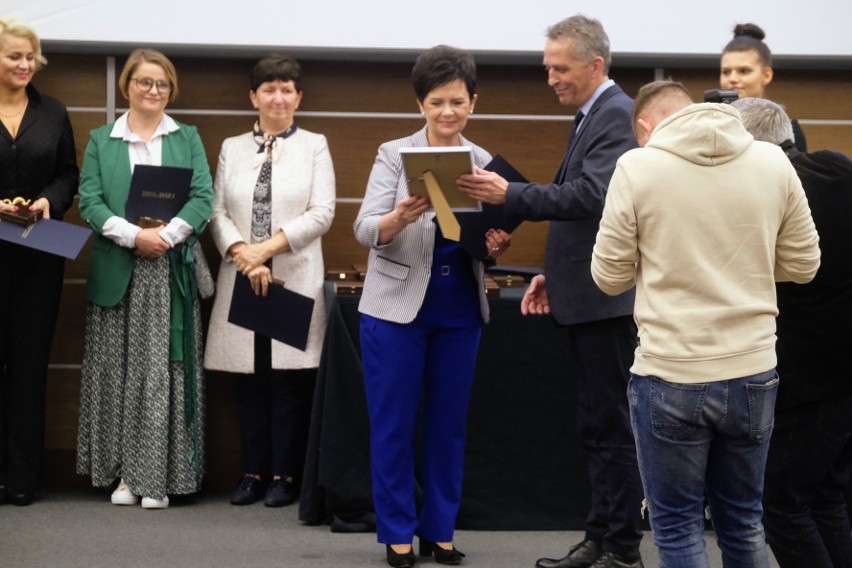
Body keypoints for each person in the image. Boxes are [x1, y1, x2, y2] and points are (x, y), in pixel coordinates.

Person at [590, 80, 821, 567]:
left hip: (670, 371)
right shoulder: (773, 162)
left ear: (648, 126)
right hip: (753, 370)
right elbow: (804, 266)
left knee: (676, 527)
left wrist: (658, 262)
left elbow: (608, 279)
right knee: (744, 521)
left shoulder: (638, 167)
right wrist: (748, 267)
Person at [457, 15, 643, 568]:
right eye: (548, 69)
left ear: (596, 65)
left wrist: (510, 194)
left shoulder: (616, 114)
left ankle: (624, 550)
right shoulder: (594, 114)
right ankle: (601, 539)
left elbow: (593, 197)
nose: (551, 79)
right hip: (584, 295)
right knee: (595, 426)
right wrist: (551, 273)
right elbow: (580, 213)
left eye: (560, 69)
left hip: (607, 304)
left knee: (611, 428)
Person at [354, 45, 510, 568]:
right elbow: (364, 228)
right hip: (395, 309)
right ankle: (397, 532)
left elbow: (488, 236)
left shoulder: (484, 161)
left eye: (458, 102)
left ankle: (439, 530)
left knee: (448, 426)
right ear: (421, 103)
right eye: (438, 102)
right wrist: (398, 217)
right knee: (393, 424)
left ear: (473, 102)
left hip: (459, 307)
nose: (448, 112)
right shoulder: (392, 153)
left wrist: (494, 244)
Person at [76, 48, 214, 509]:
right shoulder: (102, 138)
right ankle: (124, 477)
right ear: (127, 86)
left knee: (162, 374)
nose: (154, 91)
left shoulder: (186, 136)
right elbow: (89, 201)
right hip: (119, 266)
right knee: (118, 374)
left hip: (168, 269)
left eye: (162, 84)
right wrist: (135, 236)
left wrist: (167, 237)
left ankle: (159, 476)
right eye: (145, 82)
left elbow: (202, 197)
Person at [204, 55, 335, 508]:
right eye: (269, 89)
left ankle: (284, 476)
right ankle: (252, 472)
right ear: (253, 96)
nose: (277, 97)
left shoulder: (315, 145)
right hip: (243, 274)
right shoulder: (232, 146)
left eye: (287, 89)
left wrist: (268, 250)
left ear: (299, 97)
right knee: (250, 380)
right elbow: (217, 211)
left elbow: (322, 213)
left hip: (293, 276)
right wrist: (245, 254)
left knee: (287, 382)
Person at [732, 96, 852, 568]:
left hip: (809, 384)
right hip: (843, 377)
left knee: (780, 502)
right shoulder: (838, 170)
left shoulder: (768, 195)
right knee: (825, 499)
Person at [0, 18, 79, 506]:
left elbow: (68, 173)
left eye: (31, 57)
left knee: (29, 367)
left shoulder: (52, 111)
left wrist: (50, 201)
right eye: (15, 56)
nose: (25, 65)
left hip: (37, 252)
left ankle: (21, 477)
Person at [720, 23, 808, 152]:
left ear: (766, 75)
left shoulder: (789, 130)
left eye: (744, 71)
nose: (732, 78)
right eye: (726, 72)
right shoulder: (709, 124)